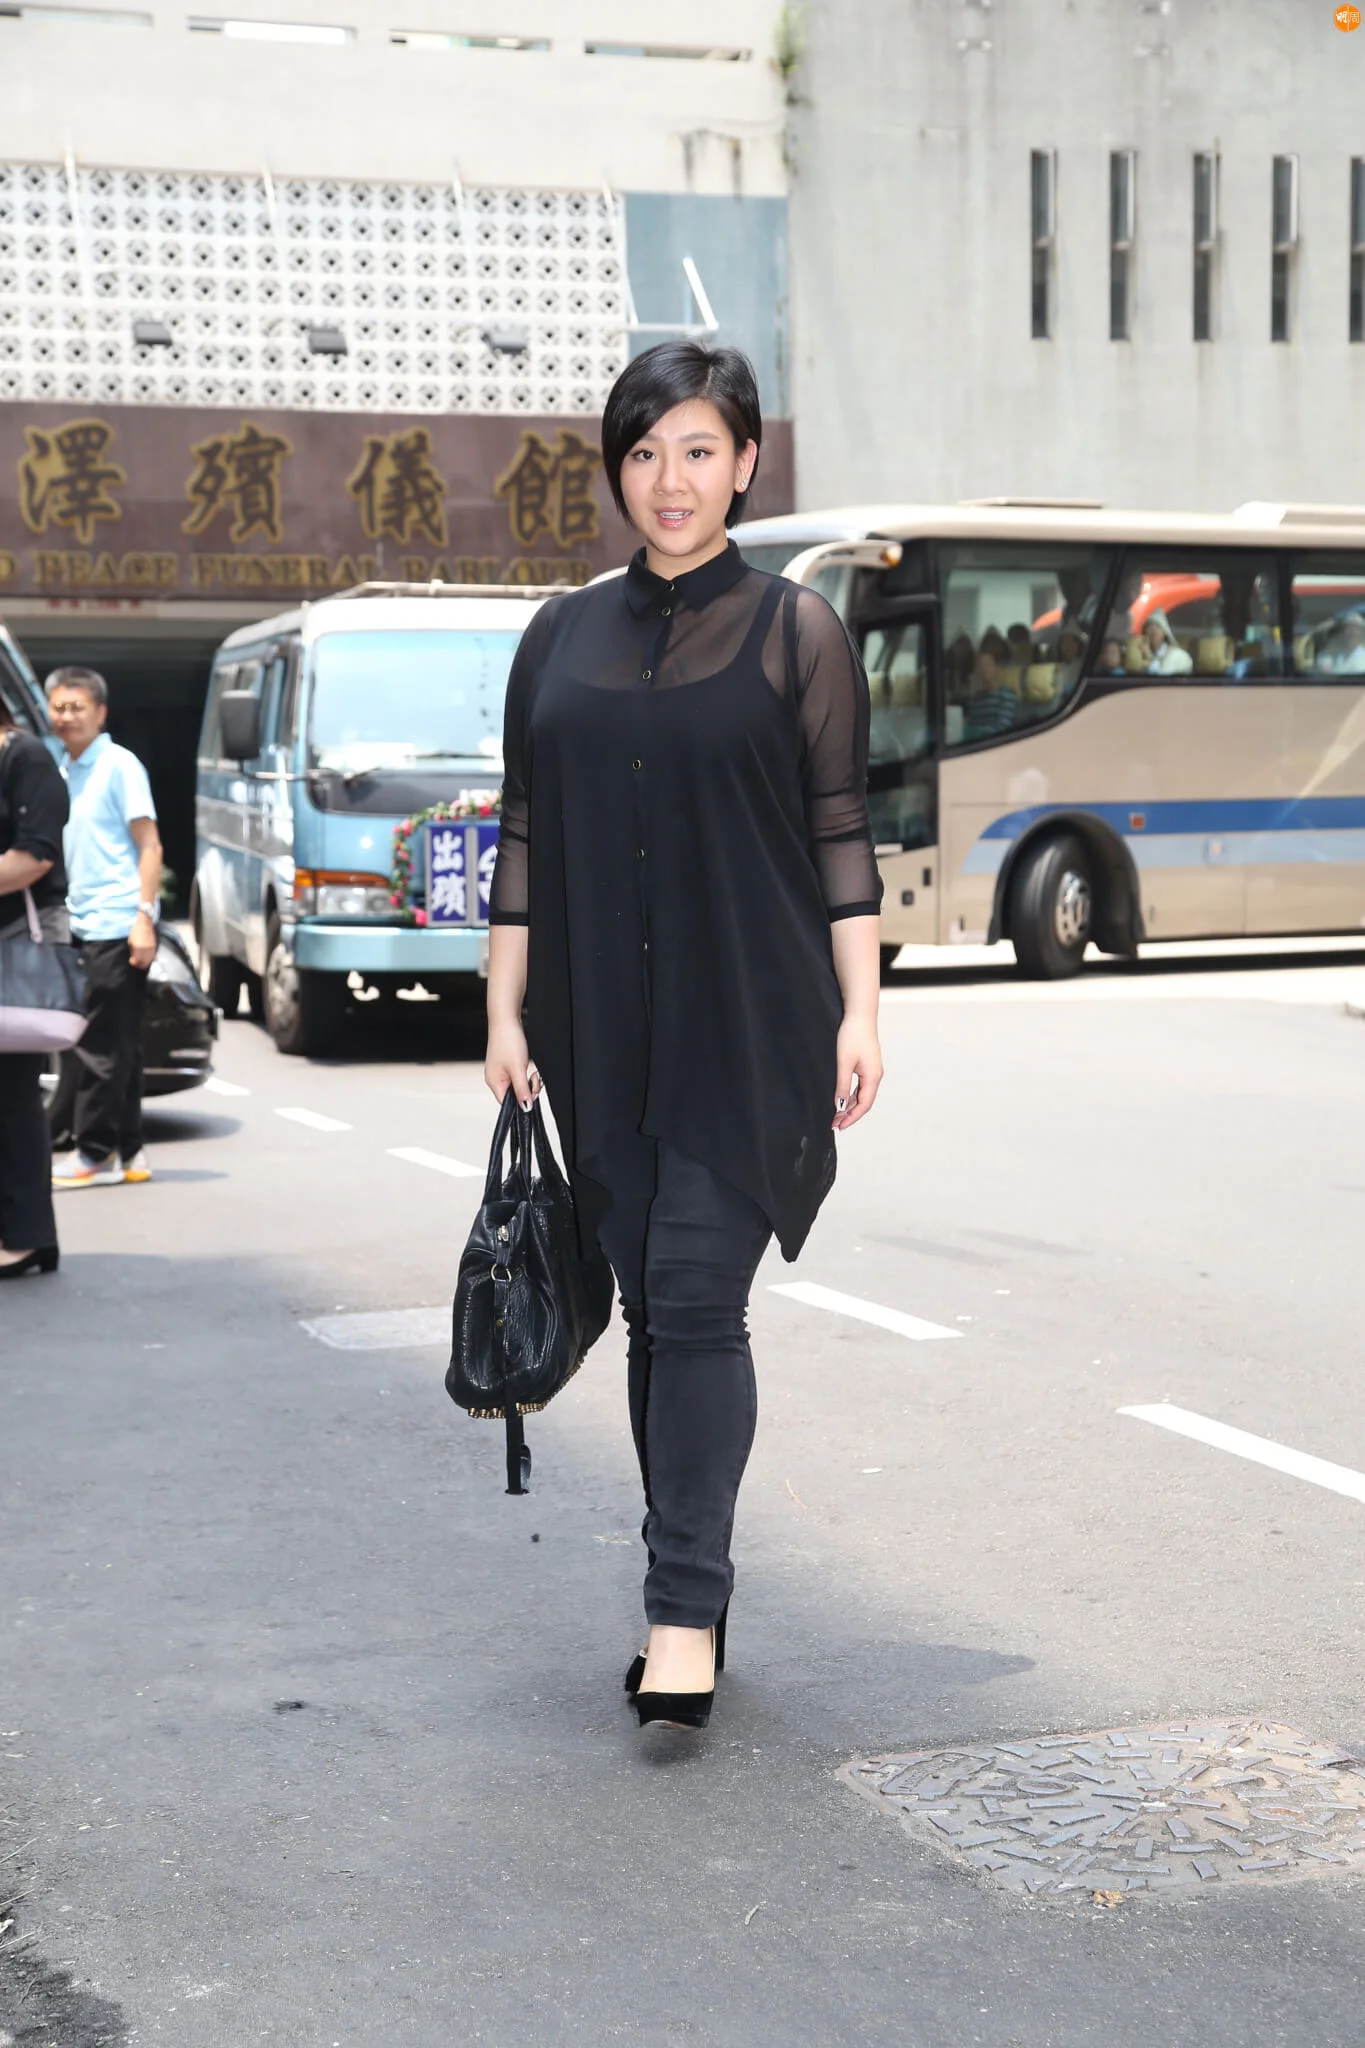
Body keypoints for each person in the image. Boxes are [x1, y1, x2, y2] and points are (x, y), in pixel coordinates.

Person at [484, 341, 883, 1733]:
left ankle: (680, 1613)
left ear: (746, 462)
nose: (671, 479)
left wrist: (863, 1010)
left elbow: (840, 834)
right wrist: (501, 1004)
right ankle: (692, 1594)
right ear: (619, 466)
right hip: (596, 1020)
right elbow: (522, 829)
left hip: (750, 1017)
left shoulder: (795, 632)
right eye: (646, 451)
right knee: (652, 1310)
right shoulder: (558, 636)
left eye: (700, 450)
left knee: (701, 1300)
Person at [44, 668, 162, 1190]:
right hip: (82, 919)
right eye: (59, 707)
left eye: (77, 707)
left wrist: (144, 918)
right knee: (121, 1043)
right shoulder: (61, 768)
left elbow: (150, 845)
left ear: (100, 712)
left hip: (116, 920)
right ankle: (130, 1149)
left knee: (98, 1045)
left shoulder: (119, 765)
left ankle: (93, 1152)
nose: (67, 717)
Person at [0, 693, 69, 1277]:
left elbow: (36, 856)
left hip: (15, 944)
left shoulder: (25, 758)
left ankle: (27, 1236)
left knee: (13, 1091)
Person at [1140, 610, 1194, 676]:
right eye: (1149, 626)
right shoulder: (1142, 655)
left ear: (1165, 632)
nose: (1153, 630)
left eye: (1157, 626)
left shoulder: (1178, 655)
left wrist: (1150, 659)